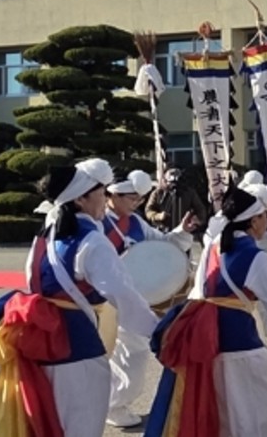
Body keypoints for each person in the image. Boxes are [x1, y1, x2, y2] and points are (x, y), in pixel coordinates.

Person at [0, 159, 157, 437]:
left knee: (45, 419)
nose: (105, 198)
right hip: (74, 341)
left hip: (36, 335)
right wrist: (158, 331)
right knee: (80, 421)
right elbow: (121, 293)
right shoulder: (92, 241)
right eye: (101, 192)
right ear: (81, 199)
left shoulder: (46, 234)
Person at [144, 180, 267, 437]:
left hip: (209, 344)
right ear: (253, 221)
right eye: (264, 216)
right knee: (259, 417)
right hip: (241, 347)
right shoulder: (257, 259)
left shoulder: (213, 247)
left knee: (223, 419)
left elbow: (201, 291)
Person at [101, 169, 198, 428]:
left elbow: (163, 245)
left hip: (136, 297)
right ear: (112, 195)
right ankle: (114, 404)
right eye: (131, 198)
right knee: (130, 354)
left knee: (128, 354)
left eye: (139, 199)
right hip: (113, 299)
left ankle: (113, 402)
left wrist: (182, 231)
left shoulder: (135, 221)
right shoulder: (98, 224)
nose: (136, 204)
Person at [145, 167, 208, 234]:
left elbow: (201, 209)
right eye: (170, 182)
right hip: (162, 232)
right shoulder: (158, 193)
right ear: (165, 181)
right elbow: (148, 210)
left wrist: (197, 220)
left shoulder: (189, 193)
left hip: (183, 231)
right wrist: (158, 216)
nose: (173, 185)